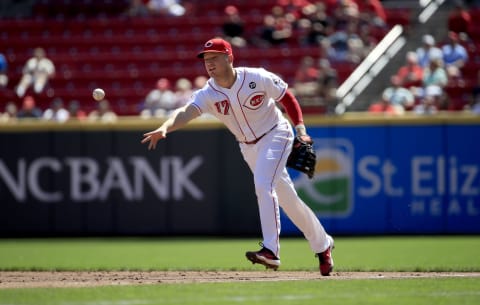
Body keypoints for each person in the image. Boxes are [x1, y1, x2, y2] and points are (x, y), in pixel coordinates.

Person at [141, 38, 335, 276]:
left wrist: (301, 130)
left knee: (263, 186)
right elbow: (185, 112)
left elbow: (287, 97)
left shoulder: (256, 77)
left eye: (214, 58)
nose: (208, 64)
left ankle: (271, 251)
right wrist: (165, 127)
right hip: (248, 147)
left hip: (276, 133)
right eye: (205, 59)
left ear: (229, 58)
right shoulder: (208, 93)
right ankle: (323, 244)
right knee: (288, 200)